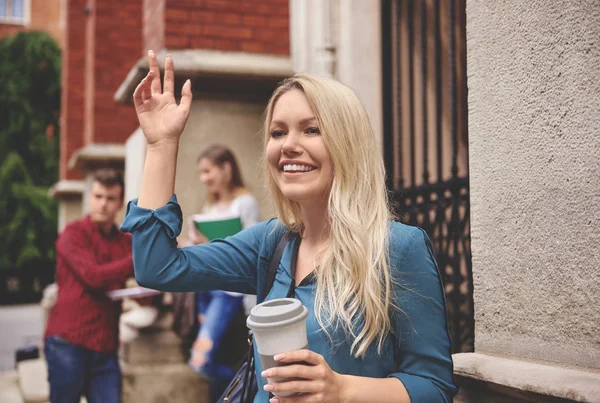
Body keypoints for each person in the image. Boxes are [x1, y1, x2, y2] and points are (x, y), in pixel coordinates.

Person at [122, 50, 457, 402]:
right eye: (277, 132)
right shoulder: (271, 243)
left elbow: (434, 388)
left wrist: (341, 389)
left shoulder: (398, 248)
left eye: (311, 130)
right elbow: (157, 268)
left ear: (347, 143)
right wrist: (161, 146)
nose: (289, 146)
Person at [44, 169, 132, 403]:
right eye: (98, 196)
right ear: (89, 198)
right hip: (68, 343)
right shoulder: (73, 234)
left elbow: (141, 287)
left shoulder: (125, 242)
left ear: (120, 203)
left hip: (106, 347)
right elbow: (93, 276)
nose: (103, 204)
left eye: (110, 198)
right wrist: (138, 260)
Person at [184, 145, 261, 398]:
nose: (204, 179)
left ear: (226, 169)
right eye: (201, 173)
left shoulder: (245, 203)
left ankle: (241, 387)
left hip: (230, 295)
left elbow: (254, 251)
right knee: (221, 355)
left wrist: (211, 247)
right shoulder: (208, 209)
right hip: (206, 293)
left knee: (200, 359)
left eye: (208, 171)